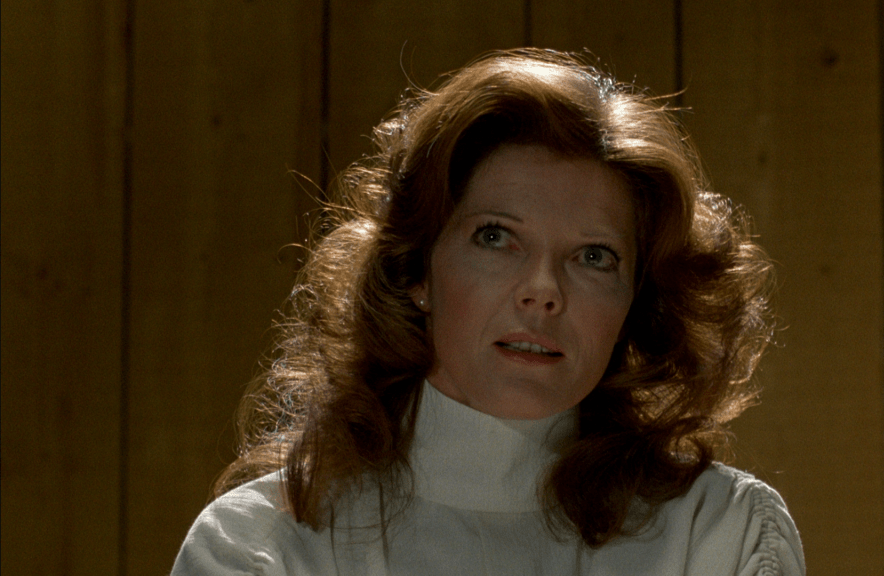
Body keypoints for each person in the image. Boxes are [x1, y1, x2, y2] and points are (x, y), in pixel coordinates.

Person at [172, 48, 805, 575]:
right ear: (416, 270)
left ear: (635, 302)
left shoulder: (718, 534)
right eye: (496, 238)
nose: (543, 291)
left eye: (593, 256)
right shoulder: (263, 546)